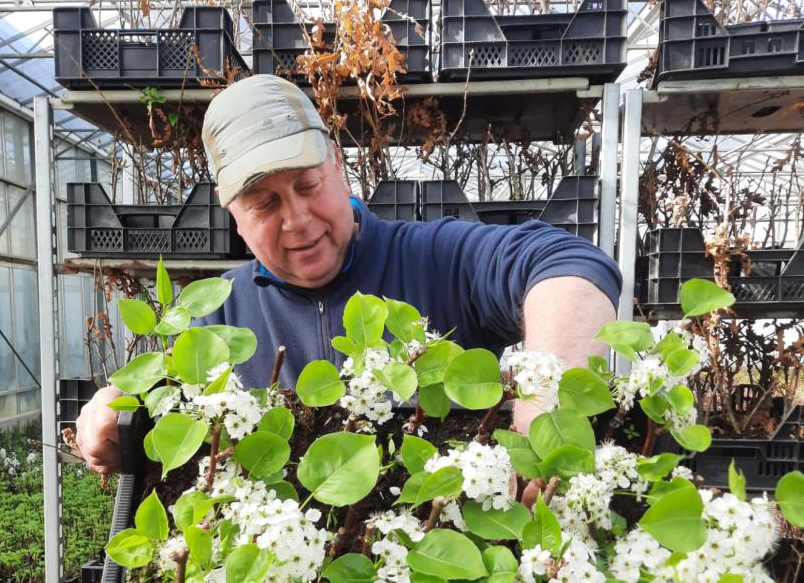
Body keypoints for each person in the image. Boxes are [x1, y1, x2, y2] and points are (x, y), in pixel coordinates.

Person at [77, 75, 621, 475]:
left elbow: (569, 265)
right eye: (264, 203)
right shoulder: (215, 315)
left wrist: (543, 408)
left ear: (337, 165)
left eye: (308, 186)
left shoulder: (437, 258)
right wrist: (112, 411)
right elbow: (158, 405)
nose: (297, 221)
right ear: (232, 216)